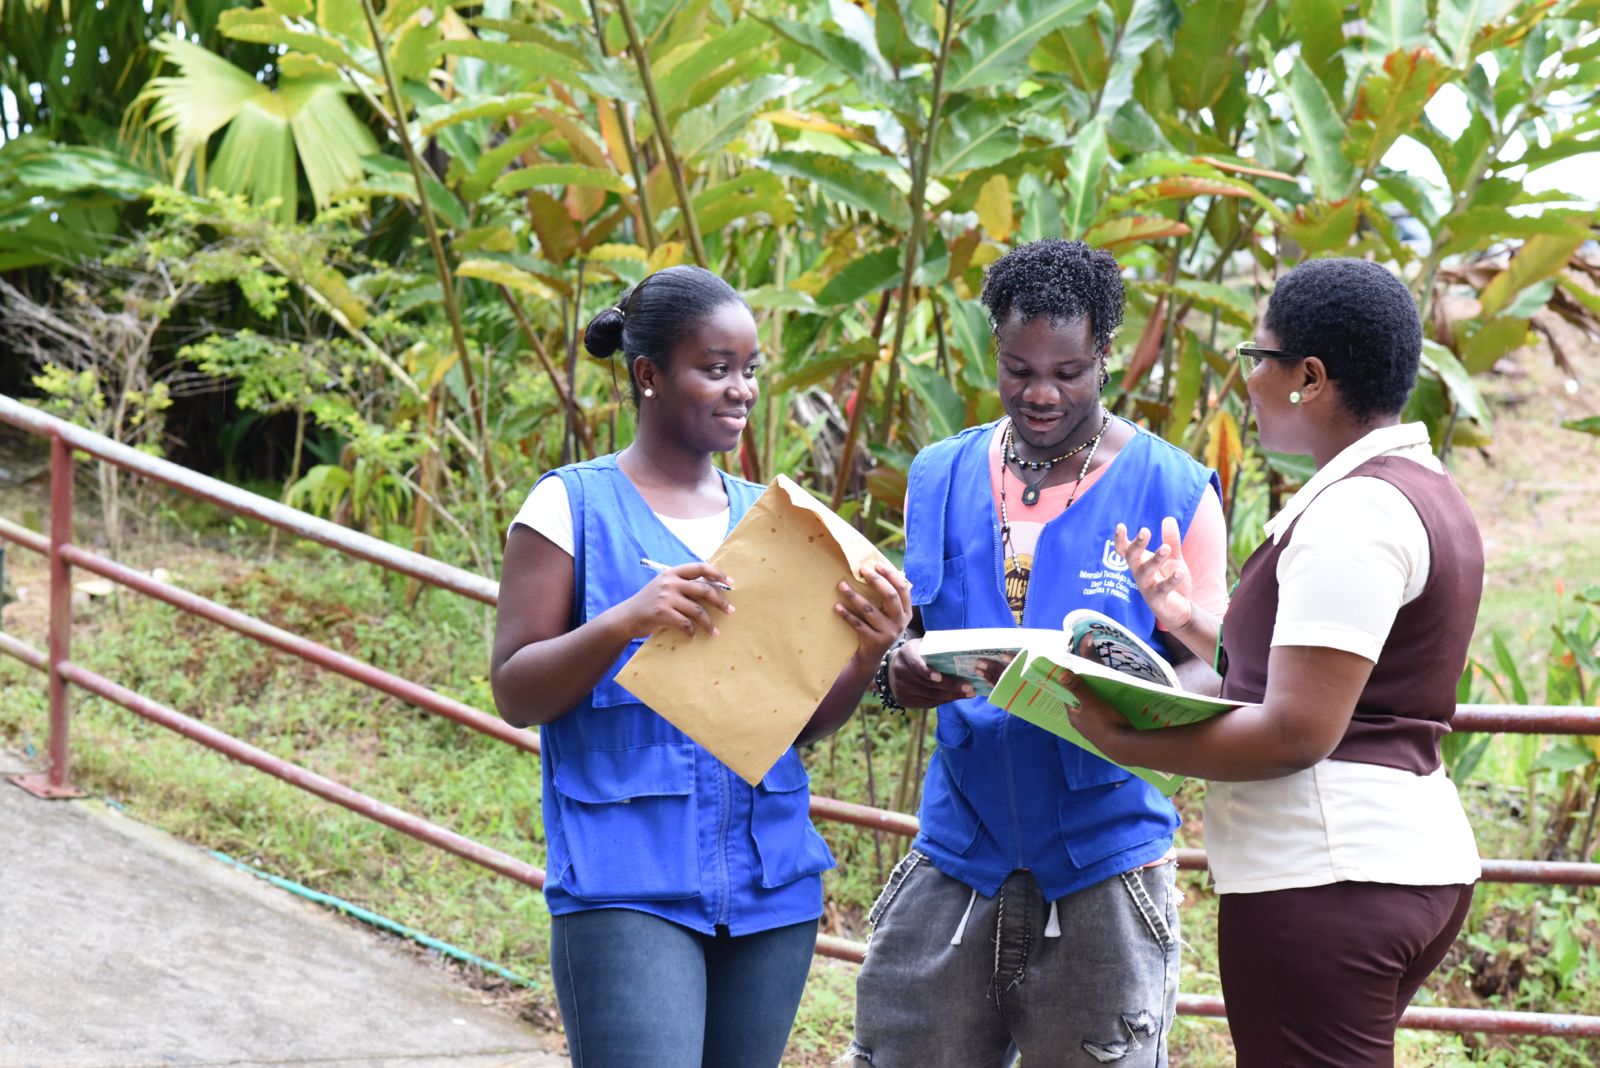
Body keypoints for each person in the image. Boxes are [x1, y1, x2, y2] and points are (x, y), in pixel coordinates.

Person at [1063, 257, 1483, 1067]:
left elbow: (1297, 730)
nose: (1248, 380)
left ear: (1310, 377)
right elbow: (1324, 669)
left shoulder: (1354, 515)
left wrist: (1127, 745)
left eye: (1259, 358)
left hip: (1327, 878)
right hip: (1390, 867)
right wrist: (1186, 618)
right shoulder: (1415, 486)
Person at [491, 265, 912, 1068]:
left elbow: (801, 724)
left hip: (770, 891)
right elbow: (516, 690)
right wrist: (624, 620)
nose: (740, 390)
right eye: (714, 369)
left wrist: (865, 652)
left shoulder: (779, 525)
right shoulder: (567, 507)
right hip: (624, 886)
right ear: (648, 375)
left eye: (749, 370)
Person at [848, 239, 1228, 1068]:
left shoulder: (1174, 490)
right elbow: (909, 636)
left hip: (1105, 859)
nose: (1043, 394)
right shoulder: (940, 475)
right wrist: (899, 672)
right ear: (996, 354)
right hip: (957, 846)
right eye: (1019, 370)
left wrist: (1139, 702)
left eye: (1070, 371)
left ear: (1106, 359)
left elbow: (1221, 663)